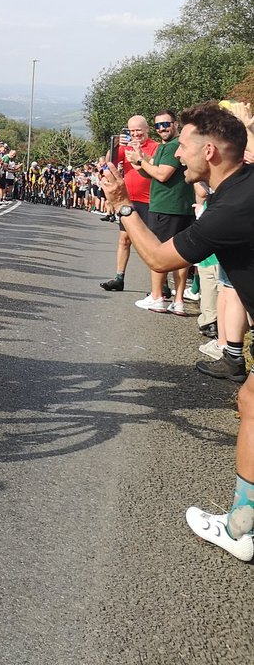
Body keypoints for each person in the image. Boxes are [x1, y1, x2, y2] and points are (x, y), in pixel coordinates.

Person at [100, 102, 254, 562]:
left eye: (182, 146)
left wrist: (121, 205)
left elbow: (161, 260)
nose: (176, 155)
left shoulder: (231, 210)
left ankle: (241, 529)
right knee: (248, 401)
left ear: (209, 151)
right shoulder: (240, 189)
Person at [128, 110, 195, 315]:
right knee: (182, 255)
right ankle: (179, 300)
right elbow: (152, 169)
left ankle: (157, 297)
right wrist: (141, 158)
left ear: (175, 124)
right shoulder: (171, 147)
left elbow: (162, 174)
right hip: (181, 207)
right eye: (158, 126)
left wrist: (141, 161)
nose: (162, 129)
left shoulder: (173, 146)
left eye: (166, 124)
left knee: (158, 253)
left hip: (166, 208)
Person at [100, 115, 159, 292]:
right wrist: (116, 144)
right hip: (129, 200)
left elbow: (157, 165)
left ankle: (159, 284)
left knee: (153, 242)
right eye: (131, 131)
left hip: (149, 199)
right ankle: (119, 277)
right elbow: (110, 161)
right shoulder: (125, 147)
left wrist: (140, 154)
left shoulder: (155, 147)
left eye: (138, 130)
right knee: (124, 240)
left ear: (147, 129)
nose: (135, 134)